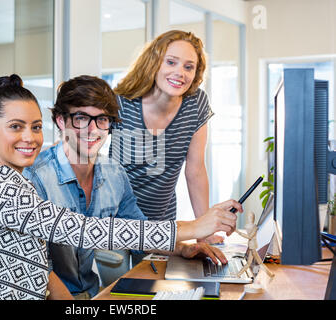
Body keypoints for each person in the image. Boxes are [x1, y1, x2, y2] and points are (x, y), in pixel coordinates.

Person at [0, 74, 241, 300]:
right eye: (15, 127)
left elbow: (125, 227)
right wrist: (196, 226)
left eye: (34, 127)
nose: (29, 138)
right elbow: (82, 231)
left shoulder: (12, 181)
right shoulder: (1, 186)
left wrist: (183, 244)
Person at [23, 75, 242, 299]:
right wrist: (196, 226)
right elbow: (39, 266)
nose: (93, 130)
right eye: (81, 118)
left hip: (91, 294)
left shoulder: (114, 174)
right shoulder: (35, 178)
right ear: (61, 121)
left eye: (102, 120)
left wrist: (184, 248)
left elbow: (140, 230)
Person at [111, 30, 221, 247]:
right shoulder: (122, 102)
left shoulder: (195, 103)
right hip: (117, 224)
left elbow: (196, 169)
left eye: (188, 67)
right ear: (154, 63)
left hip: (163, 225)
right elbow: (87, 143)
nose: (180, 72)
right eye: (171, 62)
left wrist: (204, 230)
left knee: (160, 280)